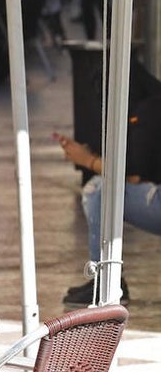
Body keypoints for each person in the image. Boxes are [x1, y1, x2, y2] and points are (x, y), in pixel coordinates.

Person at [54, 96, 161, 305]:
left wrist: (86, 160)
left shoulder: (150, 105)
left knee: (99, 189)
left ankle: (106, 279)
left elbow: (133, 174)